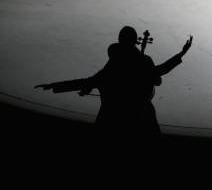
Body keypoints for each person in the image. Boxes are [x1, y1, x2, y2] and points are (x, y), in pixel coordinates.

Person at [35, 26, 193, 145]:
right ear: (134, 41)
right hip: (140, 118)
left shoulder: (114, 63)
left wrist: (54, 86)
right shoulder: (140, 62)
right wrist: (181, 54)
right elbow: (160, 71)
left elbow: (87, 82)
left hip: (109, 120)